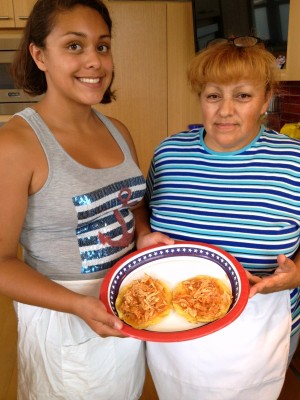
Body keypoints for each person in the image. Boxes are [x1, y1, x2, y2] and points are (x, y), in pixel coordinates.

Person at [0, 1, 171, 398]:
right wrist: (79, 306)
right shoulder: (17, 144)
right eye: (74, 46)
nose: (94, 61)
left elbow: (130, 204)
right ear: (39, 55)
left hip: (125, 303)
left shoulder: (117, 130)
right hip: (64, 321)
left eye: (103, 46)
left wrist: (143, 234)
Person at [135, 37, 300, 399]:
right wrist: (144, 232)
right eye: (213, 96)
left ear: (266, 98)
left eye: (242, 96)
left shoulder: (294, 162)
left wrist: (298, 272)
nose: (225, 110)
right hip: (174, 324)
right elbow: (142, 208)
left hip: (257, 329)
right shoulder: (169, 154)